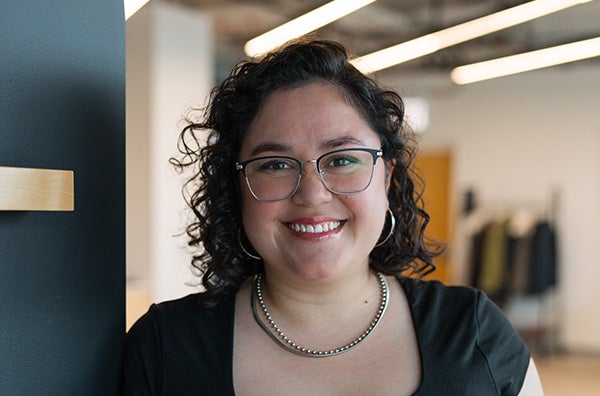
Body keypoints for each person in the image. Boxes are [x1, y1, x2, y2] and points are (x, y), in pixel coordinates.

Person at [122, 39, 544, 395]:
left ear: (387, 175)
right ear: (237, 188)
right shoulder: (164, 349)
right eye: (275, 164)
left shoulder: (473, 336)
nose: (312, 194)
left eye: (342, 159)